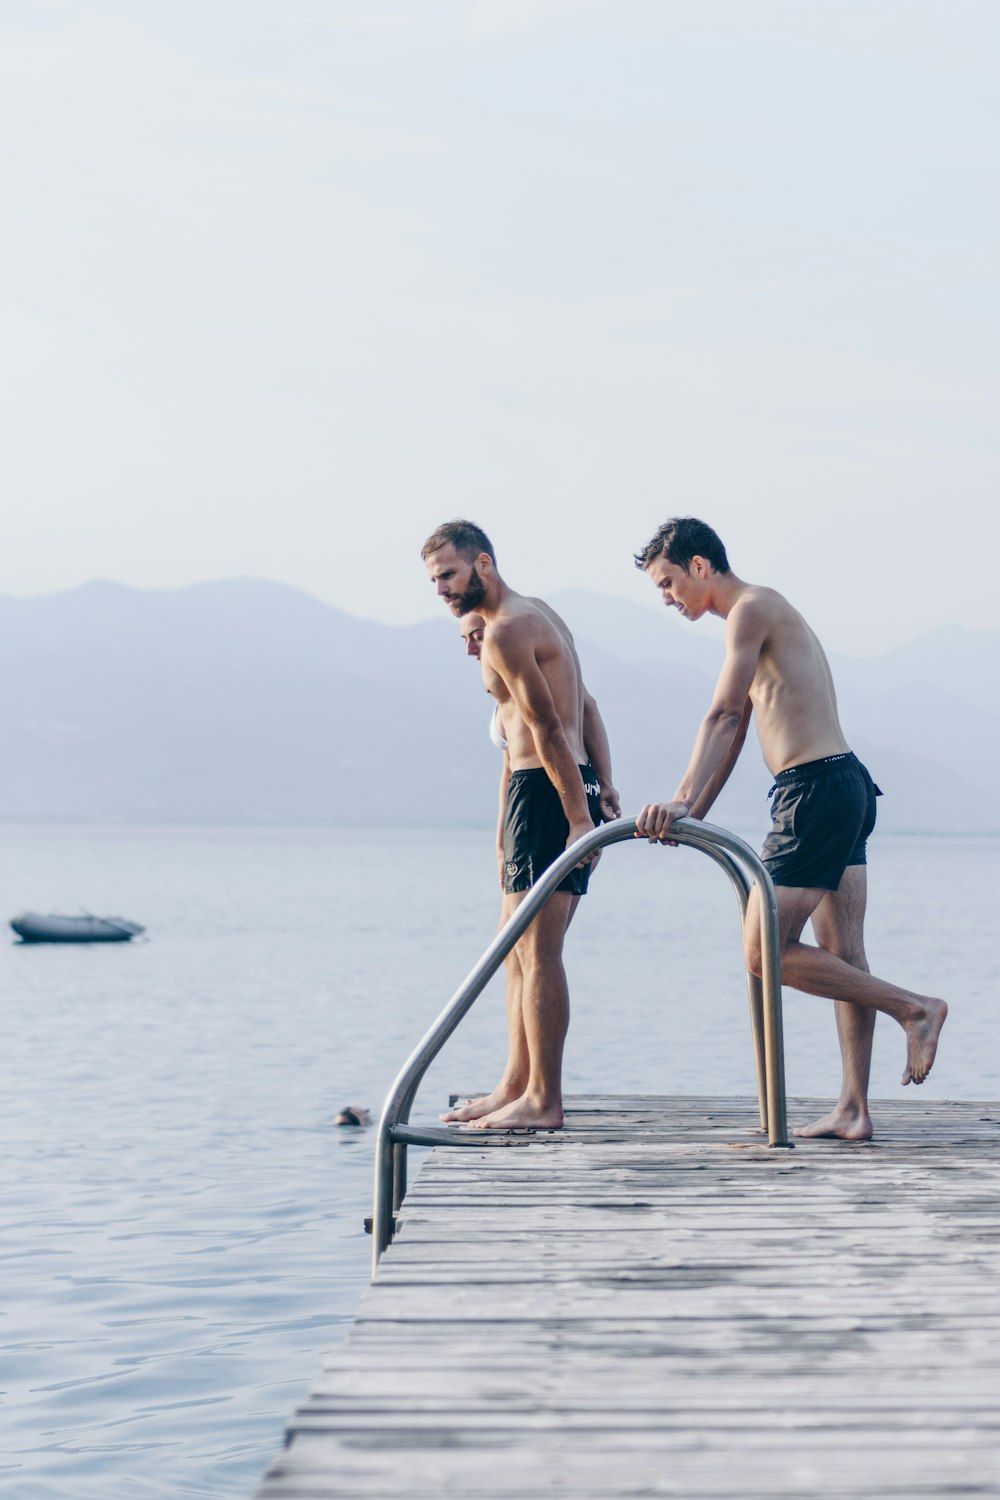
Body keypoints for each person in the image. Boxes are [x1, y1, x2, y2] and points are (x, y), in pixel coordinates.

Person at [632, 517, 947, 1140]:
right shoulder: (759, 617)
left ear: (700, 566)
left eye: (668, 582)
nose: (666, 598)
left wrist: (675, 799)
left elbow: (720, 714)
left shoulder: (750, 609)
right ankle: (854, 1110)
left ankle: (913, 1009)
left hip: (814, 794)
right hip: (844, 783)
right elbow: (740, 728)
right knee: (845, 953)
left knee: (762, 951)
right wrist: (696, 812)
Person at [423, 521, 620, 1129]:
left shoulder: (508, 630)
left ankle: (544, 1099)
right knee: (516, 953)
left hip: (549, 794)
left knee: (538, 952)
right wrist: (602, 782)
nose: (442, 591)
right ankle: (516, 1082)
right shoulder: (538, 613)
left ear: (484, 562)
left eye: (449, 576)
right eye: (434, 582)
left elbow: (551, 728)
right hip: (546, 792)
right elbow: (586, 707)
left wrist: (581, 817)